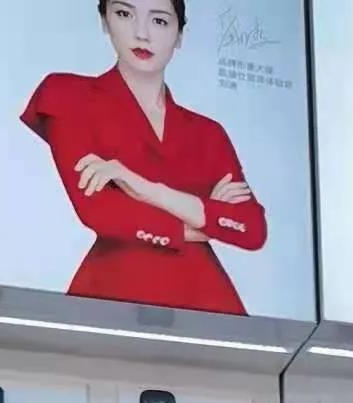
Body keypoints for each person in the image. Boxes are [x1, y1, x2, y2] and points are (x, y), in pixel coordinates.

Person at [21, 1, 266, 314]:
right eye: (124, 14)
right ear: (104, 20)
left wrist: (142, 187)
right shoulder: (68, 95)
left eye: (159, 21)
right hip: (114, 294)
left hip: (207, 302)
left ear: (179, 36)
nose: (142, 33)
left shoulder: (208, 133)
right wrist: (205, 221)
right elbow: (100, 211)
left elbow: (252, 229)